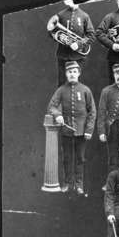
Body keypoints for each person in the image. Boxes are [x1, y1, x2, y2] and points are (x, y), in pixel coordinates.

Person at [47, 61, 96, 194]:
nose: (72, 74)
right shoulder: (61, 90)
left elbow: (92, 111)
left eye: (75, 72)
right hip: (66, 130)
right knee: (67, 158)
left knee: (80, 158)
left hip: (82, 131)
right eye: (70, 72)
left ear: (79, 73)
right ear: (66, 74)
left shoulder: (86, 90)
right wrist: (57, 114)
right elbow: (52, 106)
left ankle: (79, 185)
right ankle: (68, 183)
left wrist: (89, 130)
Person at [47, 0, 95, 87]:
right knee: (62, 84)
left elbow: (91, 35)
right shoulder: (60, 15)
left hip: (78, 57)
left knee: (77, 85)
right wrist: (56, 36)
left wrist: (79, 44)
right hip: (63, 55)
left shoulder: (84, 16)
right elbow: (51, 32)